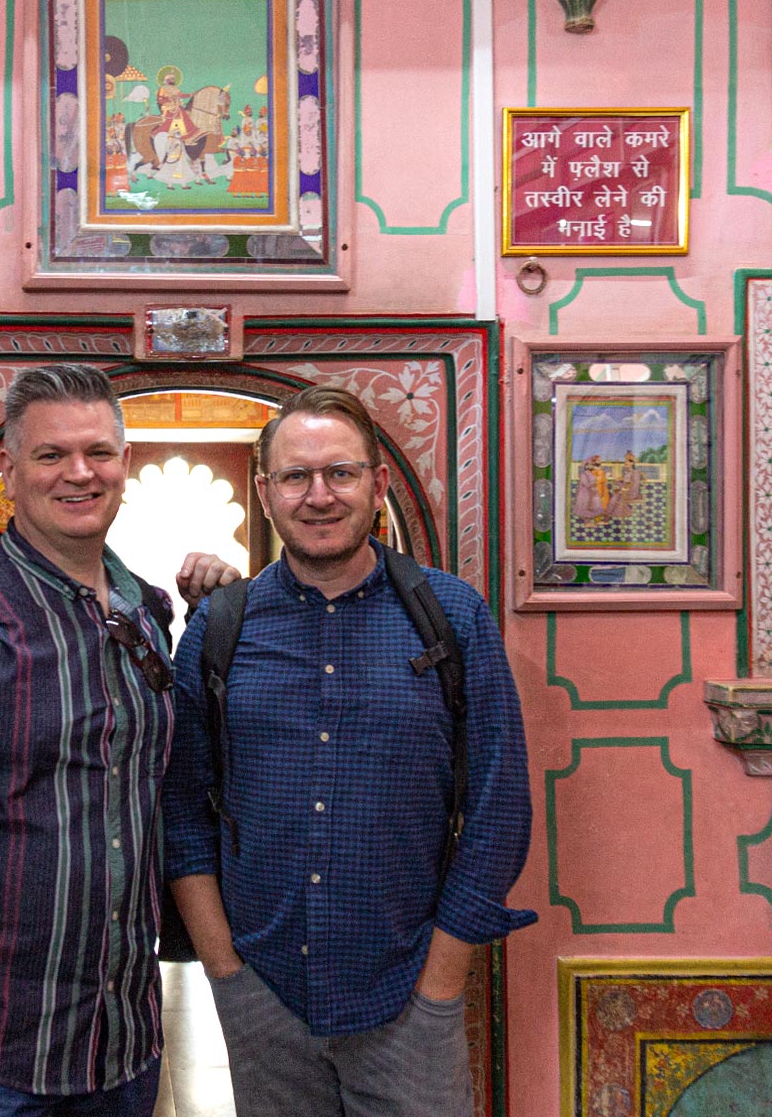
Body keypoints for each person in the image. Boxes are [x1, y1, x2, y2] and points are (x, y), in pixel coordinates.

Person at [0, 364, 237, 1117]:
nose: (79, 474)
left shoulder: (147, 613)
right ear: (10, 469)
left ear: (125, 465)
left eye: (99, 453)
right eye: (51, 455)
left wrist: (221, 608)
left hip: (126, 1043)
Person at [163, 385, 537, 1117]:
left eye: (341, 472)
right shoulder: (219, 629)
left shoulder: (452, 615)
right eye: (296, 477)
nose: (319, 496)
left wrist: (439, 986)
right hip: (263, 997)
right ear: (266, 494)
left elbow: (500, 808)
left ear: (379, 485)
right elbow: (181, 813)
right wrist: (226, 974)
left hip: (406, 1000)